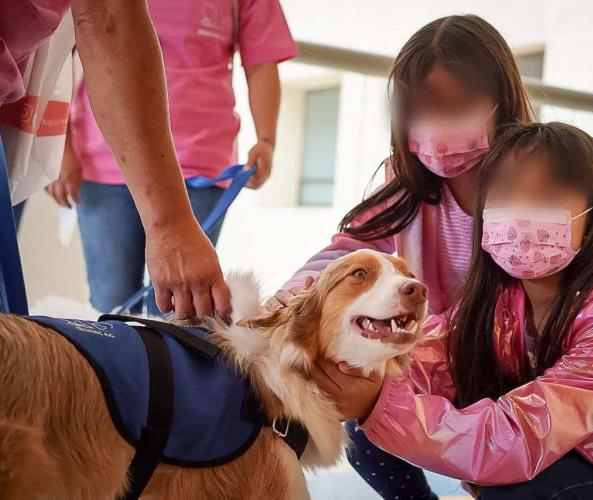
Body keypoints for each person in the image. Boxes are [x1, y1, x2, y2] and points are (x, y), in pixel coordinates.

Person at [310, 122, 593, 499]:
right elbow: (429, 356)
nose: (521, 211)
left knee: (520, 490)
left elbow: (519, 437)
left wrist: (378, 403)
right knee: (369, 427)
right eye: (504, 194)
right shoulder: (502, 300)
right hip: (553, 452)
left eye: (546, 197)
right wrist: (361, 376)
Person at [271, 14, 532, 499]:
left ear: (502, 98)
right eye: (423, 110)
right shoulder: (404, 182)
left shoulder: (529, 188)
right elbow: (344, 251)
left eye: (458, 106)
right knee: (368, 435)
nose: (438, 126)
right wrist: (284, 305)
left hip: (510, 359)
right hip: (435, 352)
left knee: (499, 471)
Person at [47, 0, 296, 314]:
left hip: (202, 162)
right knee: (113, 300)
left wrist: (266, 139)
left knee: (181, 307)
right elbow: (59, 52)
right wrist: (60, 146)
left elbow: (263, 60)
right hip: (104, 162)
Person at [0, 0, 231, 318]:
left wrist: (170, 223)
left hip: (13, 120)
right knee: (111, 299)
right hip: (96, 168)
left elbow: (108, 19)